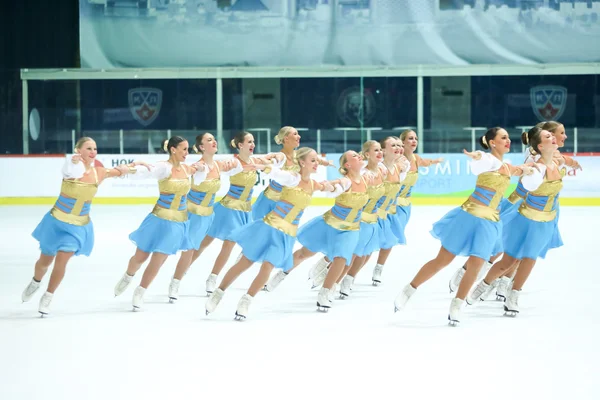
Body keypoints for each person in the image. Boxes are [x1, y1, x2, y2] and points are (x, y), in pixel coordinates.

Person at [393, 127, 536, 326]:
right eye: (503, 137)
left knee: (476, 265)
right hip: (469, 215)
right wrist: (476, 156)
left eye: (508, 137)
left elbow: (517, 170)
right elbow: (483, 159)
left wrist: (529, 168)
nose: (508, 140)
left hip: (490, 221)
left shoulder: (506, 165)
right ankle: (409, 289)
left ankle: (457, 304)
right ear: (492, 142)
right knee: (442, 260)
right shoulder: (488, 160)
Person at [204, 147, 340, 319]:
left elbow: (326, 186)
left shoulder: (313, 185)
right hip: (269, 227)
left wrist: (338, 184)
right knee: (245, 262)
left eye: (317, 160)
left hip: (286, 234)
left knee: (268, 267)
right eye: (313, 160)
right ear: (302, 162)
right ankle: (219, 292)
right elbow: (275, 172)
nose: (316, 164)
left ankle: (246, 300)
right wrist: (261, 166)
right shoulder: (291, 178)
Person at [21, 137, 138, 316]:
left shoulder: (99, 172)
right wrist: (73, 161)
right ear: (78, 150)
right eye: (88, 148)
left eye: (95, 148)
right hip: (56, 223)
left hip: (77, 226)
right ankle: (36, 281)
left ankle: (48, 296)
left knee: (62, 260)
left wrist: (129, 168)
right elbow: (69, 168)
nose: (93, 151)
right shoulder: (71, 168)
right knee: (44, 262)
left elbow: (120, 171)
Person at [467, 128, 566, 316]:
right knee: (509, 261)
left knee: (530, 259)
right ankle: (485, 284)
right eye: (548, 137)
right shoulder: (536, 169)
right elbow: (525, 186)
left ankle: (514, 295)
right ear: (539, 146)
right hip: (525, 219)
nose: (553, 138)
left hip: (545, 221)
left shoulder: (557, 164)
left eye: (553, 136)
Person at [113, 136, 205, 310]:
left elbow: (200, 169)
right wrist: (128, 169)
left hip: (178, 223)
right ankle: (128, 275)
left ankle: (140, 291)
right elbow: (146, 171)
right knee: (140, 257)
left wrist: (202, 167)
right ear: (173, 149)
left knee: (158, 259)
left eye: (187, 149)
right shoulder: (164, 167)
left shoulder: (187, 169)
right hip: (158, 220)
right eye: (184, 149)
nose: (187, 153)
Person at [167, 132, 240, 302]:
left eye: (214, 139)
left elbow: (243, 165)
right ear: (201, 147)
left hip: (209, 214)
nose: (214, 141)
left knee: (200, 248)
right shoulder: (196, 167)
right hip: (193, 213)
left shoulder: (218, 165)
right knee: (189, 249)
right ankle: (175, 282)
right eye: (209, 140)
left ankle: (193, 275)